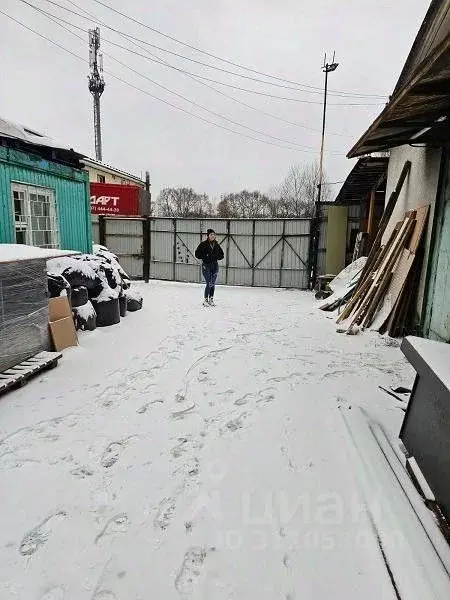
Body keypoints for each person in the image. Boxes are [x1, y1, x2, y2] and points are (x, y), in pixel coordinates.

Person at [195, 228, 224, 306]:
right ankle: (205, 300)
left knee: (213, 283)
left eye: (214, 235)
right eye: (211, 234)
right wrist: (205, 256)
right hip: (206, 266)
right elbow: (197, 254)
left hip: (215, 265)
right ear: (208, 236)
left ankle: (211, 299)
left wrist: (216, 256)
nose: (213, 236)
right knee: (209, 282)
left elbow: (222, 255)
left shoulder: (217, 245)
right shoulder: (203, 244)